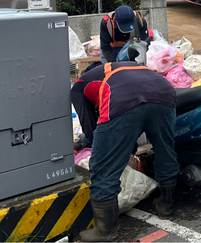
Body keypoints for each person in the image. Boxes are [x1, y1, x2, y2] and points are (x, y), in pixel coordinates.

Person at [71, 62, 179, 242]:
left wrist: (92, 146)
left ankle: (105, 232)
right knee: (164, 150)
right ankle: (166, 205)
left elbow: (90, 128)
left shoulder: (78, 87)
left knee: (102, 167)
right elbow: (138, 117)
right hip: (164, 92)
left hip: (122, 98)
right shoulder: (124, 67)